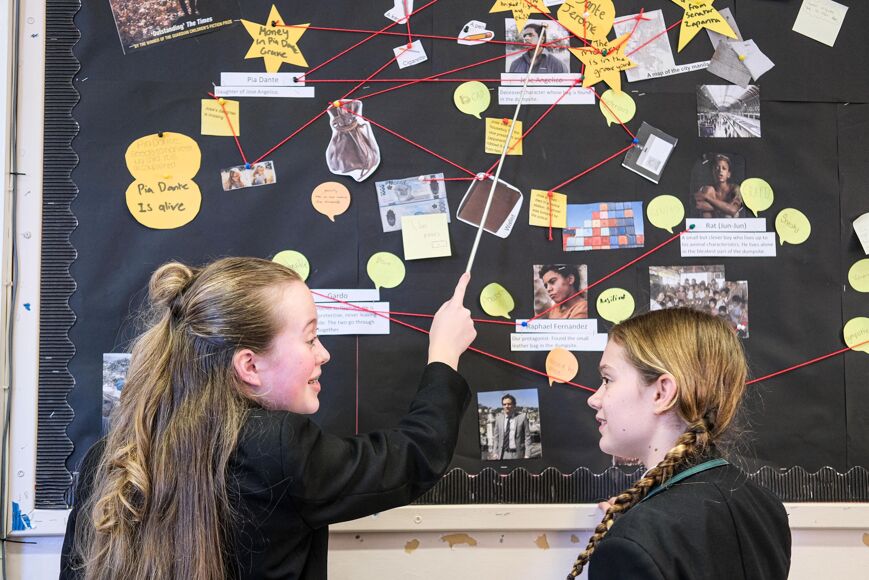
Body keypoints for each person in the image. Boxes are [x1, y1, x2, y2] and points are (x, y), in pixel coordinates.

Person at [60, 257, 476, 580]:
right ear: (250, 366)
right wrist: (444, 356)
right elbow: (414, 457)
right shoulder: (275, 447)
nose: (324, 353)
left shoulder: (108, 459)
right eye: (310, 338)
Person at [566, 308, 791, 579]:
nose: (594, 399)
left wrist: (629, 542)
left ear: (662, 393)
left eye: (607, 380)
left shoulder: (632, 544)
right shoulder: (764, 505)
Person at [693, 154, 745, 218]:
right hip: (711, 222)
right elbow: (699, 205)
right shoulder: (708, 190)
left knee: (729, 215)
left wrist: (707, 197)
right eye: (717, 168)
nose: (720, 171)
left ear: (728, 174)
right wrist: (725, 208)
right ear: (713, 172)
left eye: (724, 168)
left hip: (730, 223)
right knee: (709, 189)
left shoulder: (735, 188)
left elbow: (733, 210)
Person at [490, 394, 532, 460]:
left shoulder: (522, 417)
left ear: (514, 405)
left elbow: (527, 437)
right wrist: (495, 452)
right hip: (502, 454)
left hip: (518, 454)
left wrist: (527, 455)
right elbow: (496, 437)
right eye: (504, 404)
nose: (506, 406)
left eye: (509, 404)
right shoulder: (498, 418)